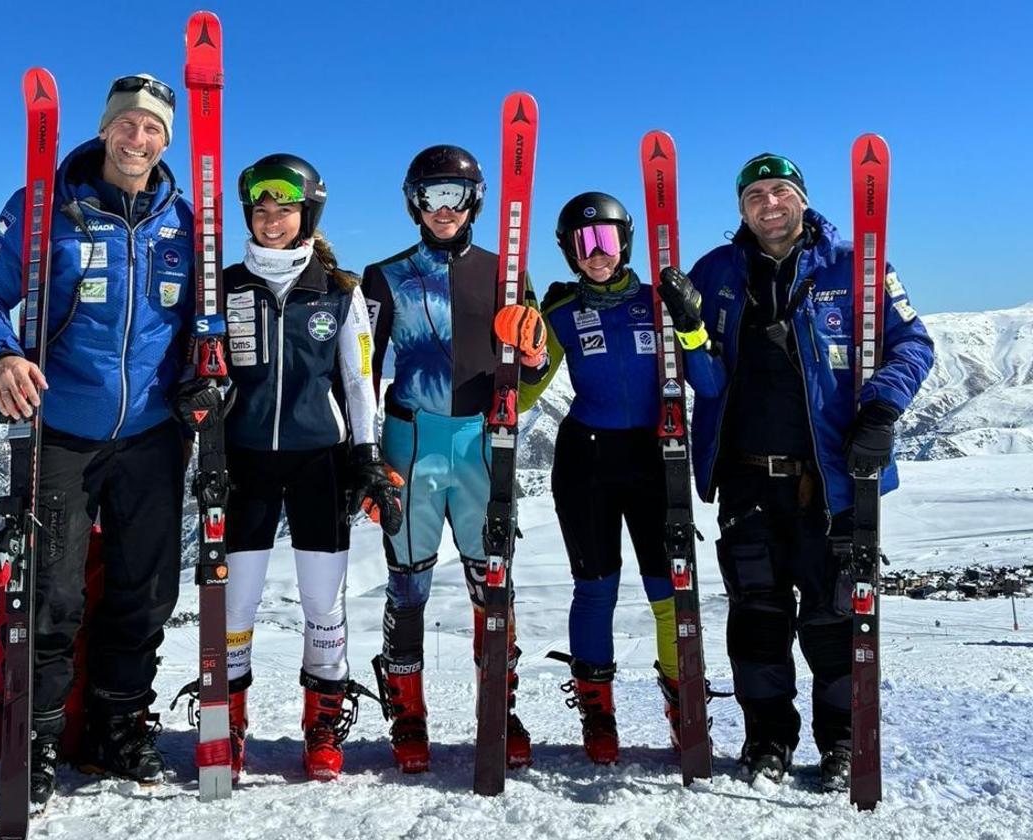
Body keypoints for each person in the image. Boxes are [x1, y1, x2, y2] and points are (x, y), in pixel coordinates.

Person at [658, 152, 933, 790]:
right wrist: (693, 330)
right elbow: (705, 381)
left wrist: (883, 408)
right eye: (755, 196)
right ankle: (767, 740)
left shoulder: (856, 269)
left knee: (834, 622)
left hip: (831, 480)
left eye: (780, 191)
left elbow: (914, 343)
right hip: (748, 477)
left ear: (802, 199)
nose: (769, 205)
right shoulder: (715, 275)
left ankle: (840, 742)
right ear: (741, 210)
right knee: (758, 617)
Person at [0, 74, 193, 808]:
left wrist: (204, 381)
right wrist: (1, 355)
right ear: (104, 130)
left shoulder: (185, 224)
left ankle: (117, 728)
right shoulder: (43, 208)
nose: (138, 138)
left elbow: (199, 325)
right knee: (53, 593)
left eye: (153, 128)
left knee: (145, 592)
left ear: (166, 140)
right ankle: (39, 736)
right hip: (59, 429)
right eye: (126, 124)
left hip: (155, 433)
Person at [177, 153, 402, 783]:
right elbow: (196, 369)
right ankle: (228, 722)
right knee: (235, 606)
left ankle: (322, 723)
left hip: (319, 462)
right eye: (261, 209)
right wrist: (192, 398)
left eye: (285, 208)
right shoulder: (222, 287)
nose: (271, 220)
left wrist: (366, 455)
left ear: (308, 215)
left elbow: (360, 381)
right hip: (242, 460)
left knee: (322, 604)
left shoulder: (338, 292)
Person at [362, 144, 549, 773]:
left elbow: (534, 364)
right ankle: (408, 713)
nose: (444, 209)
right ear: (414, 203)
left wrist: (532, 359)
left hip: (480, 440)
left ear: (474, 202)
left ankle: (500, 704)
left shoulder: (506, 271)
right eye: (432, 195)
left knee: (492, 581)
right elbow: (360, 374)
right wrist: (362, 459)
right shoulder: (383, 276)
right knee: (408, 580)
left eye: (456, 195)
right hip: (410, 440)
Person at [517, 192, 684, 764]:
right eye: (584, 244)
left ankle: (682, 703)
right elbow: (522, 396)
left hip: (654, 459)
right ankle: (598, 711)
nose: (597, 254)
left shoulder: (658, 301)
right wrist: (526, 355)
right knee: (596, 589)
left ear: (626, 242)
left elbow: (707, 374)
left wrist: (691, 327)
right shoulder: (561, 309)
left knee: (669, 591)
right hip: (586, 460)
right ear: (568, 251)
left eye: (607, 241)